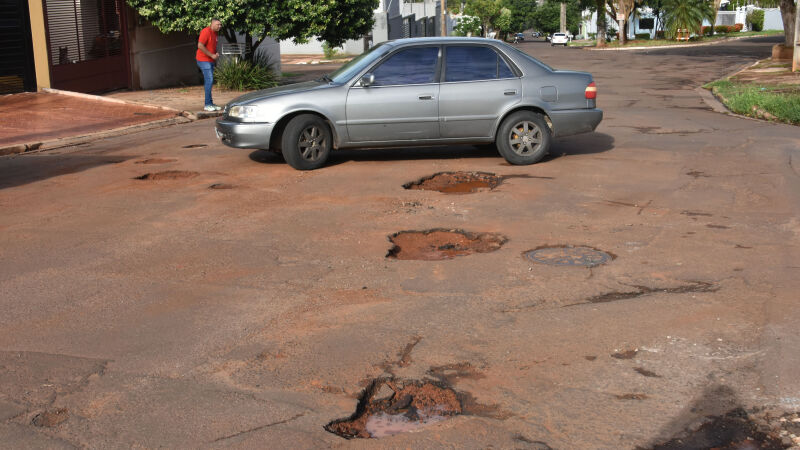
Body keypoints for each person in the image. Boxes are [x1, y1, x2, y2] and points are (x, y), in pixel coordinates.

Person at [196, 19, 221, 111]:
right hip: (203, 60)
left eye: (220, 25)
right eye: (218, 24)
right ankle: (207, 104)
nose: (220, 26)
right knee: (209, 80)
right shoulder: (205, 31)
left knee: (209, 81)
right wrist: (211, 55)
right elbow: (200, 45)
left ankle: (210, 103)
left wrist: (215, 54)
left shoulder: (215, 34)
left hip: (210, 60)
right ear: (212, 24)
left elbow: (211, 47)